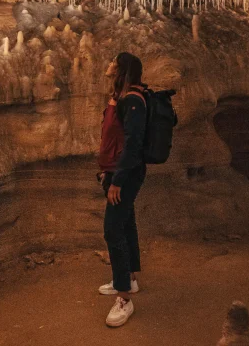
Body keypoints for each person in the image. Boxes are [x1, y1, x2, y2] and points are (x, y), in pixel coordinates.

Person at [97, 52, 147, 327]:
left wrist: (117, 181)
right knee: (126, 223)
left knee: (112, 228)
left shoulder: (132, 100)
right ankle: (129, 279)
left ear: (122, 70)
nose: (108, 65)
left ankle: (125, 299)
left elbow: (133, 144)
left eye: (113, 62)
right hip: (118, 172)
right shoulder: (123, 97)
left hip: (125, 175)